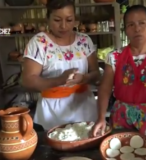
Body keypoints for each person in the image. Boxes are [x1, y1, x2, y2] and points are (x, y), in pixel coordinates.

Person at [91, 5, 146, 160]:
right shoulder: (114, 57)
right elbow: (104, 90)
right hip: (122, 118)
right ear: (126, 30)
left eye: (142, 23)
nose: (137, 28)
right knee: (123, 155)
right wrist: (100, 117)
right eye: (131, 25)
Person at [21, 0, 100, 130]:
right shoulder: (39, 42)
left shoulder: (84, 41)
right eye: (57, 20)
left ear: (75, 20)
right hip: (52, 111)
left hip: (84, 106)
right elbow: (28, 80)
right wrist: (59, 80)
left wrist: (84, 79)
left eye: (69, 20)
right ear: (48, 19)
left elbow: (96, 74)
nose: (63, 26)